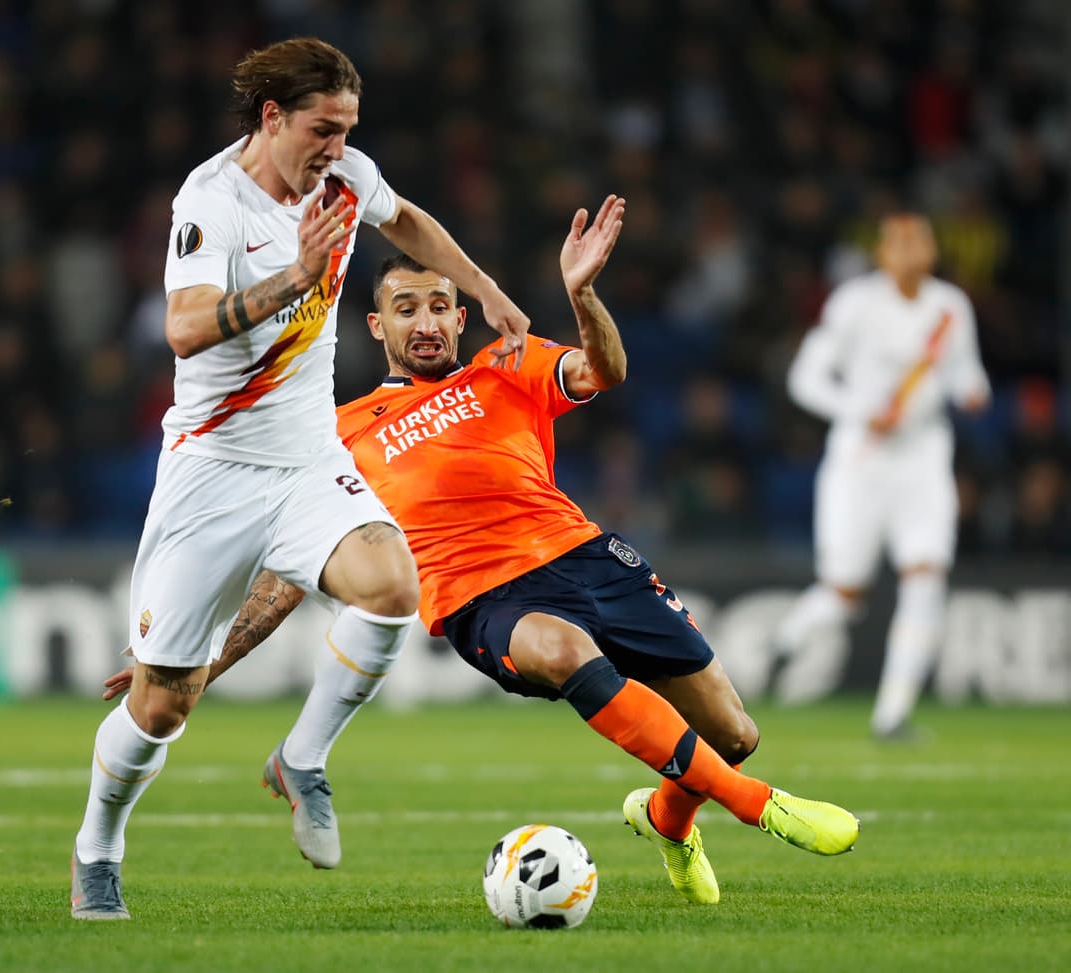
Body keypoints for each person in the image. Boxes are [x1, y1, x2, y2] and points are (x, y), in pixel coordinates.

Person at [106, 195, 861, 907]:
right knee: (563, 652)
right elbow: (285, 575)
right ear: (376, 326)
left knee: (734, 735)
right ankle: (761, 807)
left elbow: (607, 372)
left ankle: (669, 819)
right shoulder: (339, 432)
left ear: (462, 315)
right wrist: (206, 663)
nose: (426, 322)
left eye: (439, 306)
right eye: (406, 309)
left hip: (589, 556)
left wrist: (584, 296)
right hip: (484, 597)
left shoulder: (511, 361)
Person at [71, 37, 530, 920]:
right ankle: (99, 845)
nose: (338, 145)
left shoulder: (349, 177)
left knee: (393, 587)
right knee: (161, 702)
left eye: (349, 128)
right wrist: (298, 276)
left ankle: (303, 758)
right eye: (324, 127)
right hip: (213, 470)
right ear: (273, 117)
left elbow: (410, 223)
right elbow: (183, 327)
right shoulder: (210, 200)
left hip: (310, 459)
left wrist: (489, 290)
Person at [775, 213, 990, 740]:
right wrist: (861, 410)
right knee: (843, 595)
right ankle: (779, 645)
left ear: (933, 250)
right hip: (861, 457)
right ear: (883, 252)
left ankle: (891, 715)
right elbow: (805, 378)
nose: (912, 250)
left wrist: (972, 390)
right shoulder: (855, 303)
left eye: (921, 239)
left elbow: (966, 372)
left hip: (923, 456)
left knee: (926, 575)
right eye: (901, 241)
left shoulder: (950, 307)